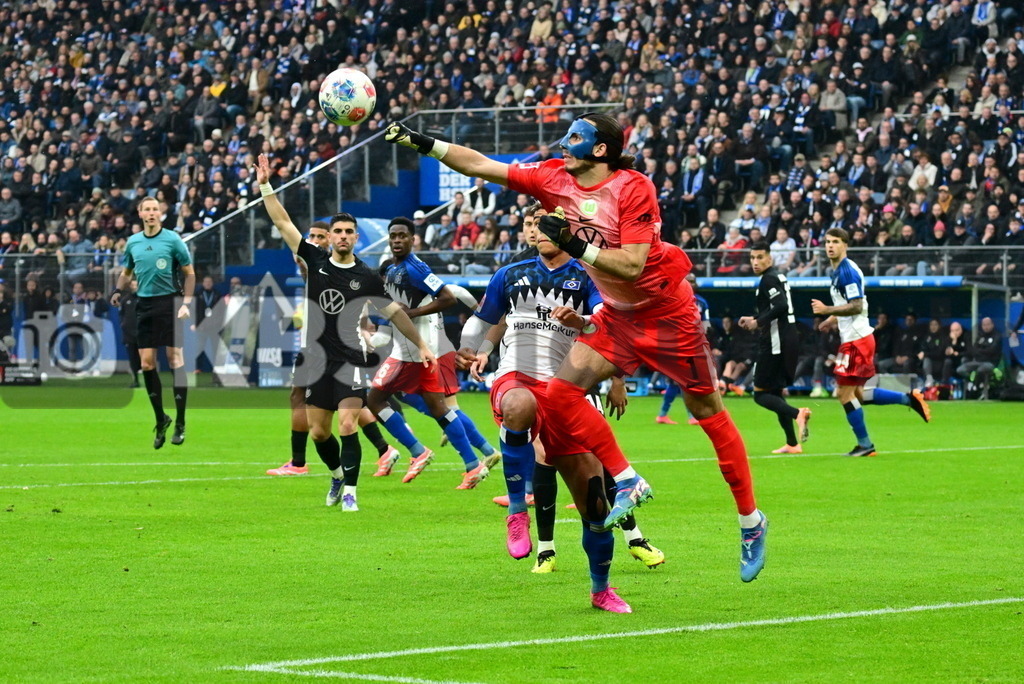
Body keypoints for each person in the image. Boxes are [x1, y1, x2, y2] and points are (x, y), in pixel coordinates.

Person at [386, 112, 768, 582]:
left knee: (707, 410)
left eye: (575, 137)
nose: (563, 143)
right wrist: (423, 143)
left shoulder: (633, 187)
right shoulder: (553, 177)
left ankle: (751, 522)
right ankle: (627, 481)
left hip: (668, 313)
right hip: (617, 316)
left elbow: (630, 265)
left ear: (601, 150)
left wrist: (573, 243)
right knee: (561, 394)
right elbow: (481, 165)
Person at [461, 204, 663, 572]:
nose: (536, 231)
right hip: (519, 378)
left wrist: (611, 370)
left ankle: (620, 556)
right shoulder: (511, 274)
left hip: (570, 387)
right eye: (530, 224)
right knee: (531, 436)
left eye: (544, 225)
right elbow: (493, 318)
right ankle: (539, 539)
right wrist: (475, 350)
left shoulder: (587, 276)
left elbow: (607, 322)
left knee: (594, 479)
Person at [254, 154, 437, 511]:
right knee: (320, 432)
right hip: (314, 359)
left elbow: (395, 312)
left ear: (355, 237)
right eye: (336, 231)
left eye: (347, 231)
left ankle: (351, 491)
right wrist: (265, 185)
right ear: (330, 237)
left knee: (349, 424)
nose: (341, 236)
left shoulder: (368, 276)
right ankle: (337, 474)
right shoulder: (314, 258)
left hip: (350, 358)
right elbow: (281, 220)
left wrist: (422, 345)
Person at [366, 217, 498, 489]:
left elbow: (449, 296)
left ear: (413, 239)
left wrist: (412, 313)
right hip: (422, 350)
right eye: (393, 236)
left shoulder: (415, 268)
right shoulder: (394, 269)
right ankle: (474, 464)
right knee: (441, 409)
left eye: (403, 236)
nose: (397, 240)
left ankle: (418, 451)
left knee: (375, 399)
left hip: (414, 352)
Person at [266, 222, 400, 478]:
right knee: (349, 407)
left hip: (334, 351)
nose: (314, 240)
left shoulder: (335, 269)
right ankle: (383, 449)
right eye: (311, 236)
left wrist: (364, 329)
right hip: (321, 349)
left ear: (329, 240)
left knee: (309, 401)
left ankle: (299, 462)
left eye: (319, 236)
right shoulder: (316, 268)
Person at [810, 228, 931, 457]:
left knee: (844, 395)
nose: (830, 246)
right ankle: (908, 398)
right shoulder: (836, 271)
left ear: (845, 245)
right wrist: (831, 319)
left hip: (857, 340)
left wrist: (827, 309)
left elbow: (856, 305)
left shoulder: (847, 272)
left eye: (835, 242)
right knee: (857, 395)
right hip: (856, 338)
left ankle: (866, 445)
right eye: (827, 242)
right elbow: (853, 304)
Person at [109, 197, 195, 449]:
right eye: (147, 209)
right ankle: (161, 419)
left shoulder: (173, 240)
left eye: (155, 209)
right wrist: (117, 290)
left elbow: (189, 273)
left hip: (170, 304)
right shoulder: (133, 243)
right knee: (147, 364)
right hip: (144, 306)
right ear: (140, 213)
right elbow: (127, 272)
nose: (151, 213)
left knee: (174, 360)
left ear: (161, 213)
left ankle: (180, 421)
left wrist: (186, 304)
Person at [738, 242, 812, 454]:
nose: (755, 262)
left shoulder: (768, 278)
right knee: (775, 392)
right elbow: (777, 308)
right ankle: (792, 443)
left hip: (776, 340)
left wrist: (758, 323)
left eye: (760, 257)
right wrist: (755, 318)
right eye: (752, 258)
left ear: (770, 258)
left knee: (760, 394)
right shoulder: (778, 276)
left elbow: (780, 306)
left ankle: (797, 413)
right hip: (786, 336)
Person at [656, 273, 707, 426]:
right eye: (688, 281)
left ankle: (663, 415)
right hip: (674, 344)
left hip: (692, 344)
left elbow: (706, 325)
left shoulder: (702, 303)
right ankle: (691, 416)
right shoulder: (673, 299)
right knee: (684, 380)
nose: (691, 284)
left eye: (693, 281)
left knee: (677, 382)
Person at [956, 317, 1003, 400]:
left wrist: (981, 351)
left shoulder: (997, 336)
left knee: (982, 369)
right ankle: (972, 383)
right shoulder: (980, 336)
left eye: (988, 324)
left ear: (992, 325)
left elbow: (992, 350)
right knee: (960, 369)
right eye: (984, 325)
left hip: (990, 362)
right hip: (977, 361)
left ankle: (977, 387)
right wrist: (984, 350)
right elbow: (974, 350)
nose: (986, 327)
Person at [119, 279, 141, 388]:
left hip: (143, 334)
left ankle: (150, 381)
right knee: (132, 358)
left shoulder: (145, 299)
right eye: (133, 285)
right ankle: (136, 381)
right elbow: (121, 314)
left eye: (136, 284)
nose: (134, 287)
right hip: (129, 335)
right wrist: (124, 325)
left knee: (144, 359)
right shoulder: (125, 300)